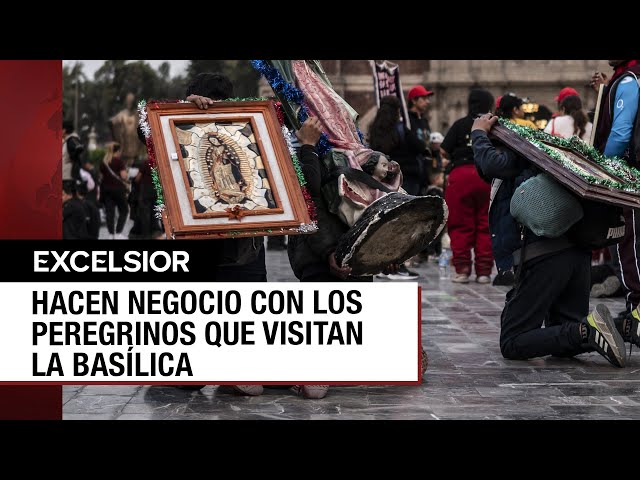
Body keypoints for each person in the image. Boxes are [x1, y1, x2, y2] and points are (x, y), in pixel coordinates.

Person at [471, 112, 626, 368]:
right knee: (563, 335)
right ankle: (621, 327)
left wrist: (478, 133)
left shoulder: (523, 153)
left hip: (545, 256)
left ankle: (587, 331)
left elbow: (491, 164)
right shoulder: (550, 156)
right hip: (577, 255)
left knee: (512, 341)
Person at [176, 72, 268, 396]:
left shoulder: (248, 129)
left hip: (244, 241)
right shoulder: (175, 132)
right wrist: (183, 112)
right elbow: (150, 131)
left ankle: (236, 367)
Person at [591, 60, 640, 348]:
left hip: (631, 178)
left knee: (631, 243)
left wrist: (602, 171)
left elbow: (621, 133)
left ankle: (637, 310)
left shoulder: (629, 81)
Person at [441, 88, 495, 284]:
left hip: (460, 176)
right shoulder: (493, 124)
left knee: (460, 225)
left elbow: (443, 151)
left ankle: (462, 270)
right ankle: (484, 272)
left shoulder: (460, 124)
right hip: (486, 177)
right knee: (486, 225)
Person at [405, 85, 434, 195]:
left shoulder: (424, 121)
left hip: (424, 173)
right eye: (424, 98)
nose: (428, 102)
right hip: (411, 172)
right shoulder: (407, 121)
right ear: (414, 100)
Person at [99, 142, 130, 239]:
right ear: (118, 151)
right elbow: (123, 176)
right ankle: (118, 233)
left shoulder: (103, 162)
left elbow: (101, 177)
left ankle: (110, 234)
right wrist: (127, 176)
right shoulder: (119, 161)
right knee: (124, 210)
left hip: (106, 190)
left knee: (110, 212)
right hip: (118, 189)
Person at [110, 92, 146, 167]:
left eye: (131, 101)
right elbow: (112, 123)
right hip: (125, 146)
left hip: (136, 146)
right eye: (128, 100)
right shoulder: (122, 114)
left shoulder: (138, 115)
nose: (130, 102)